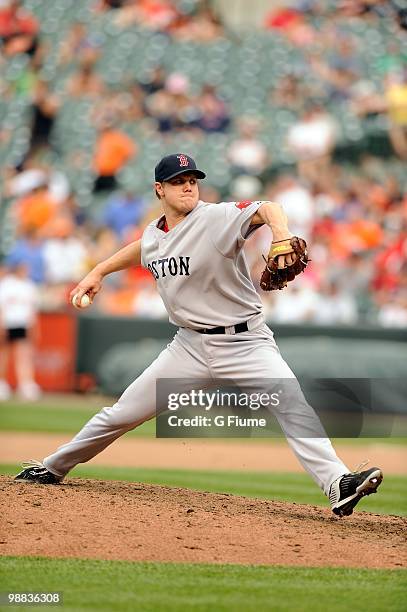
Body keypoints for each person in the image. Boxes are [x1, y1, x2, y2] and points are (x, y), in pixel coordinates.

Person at [14, 153, 383, 517]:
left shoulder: (216, 217)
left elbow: (268, 207)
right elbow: (142, 249)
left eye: (192, 180)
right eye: (178, 181)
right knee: (120, 414)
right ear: (160, 189)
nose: (188, 186)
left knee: (291, 403)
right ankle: (54, 466)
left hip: (245, 342)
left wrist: (281, 234)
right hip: (188, 347)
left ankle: (338, 484)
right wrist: (99, 271)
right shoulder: (155, 234)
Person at [0, 262, 41, 401]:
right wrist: (1, 325)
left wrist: (33, 327)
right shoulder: (6, 284)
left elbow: (32, 310)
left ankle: (25, 385)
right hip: (7, 324)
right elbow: (2, 307)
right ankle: (1, 384)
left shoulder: (29, 286)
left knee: (23, 355)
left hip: (22, 324)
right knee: (3, 355)